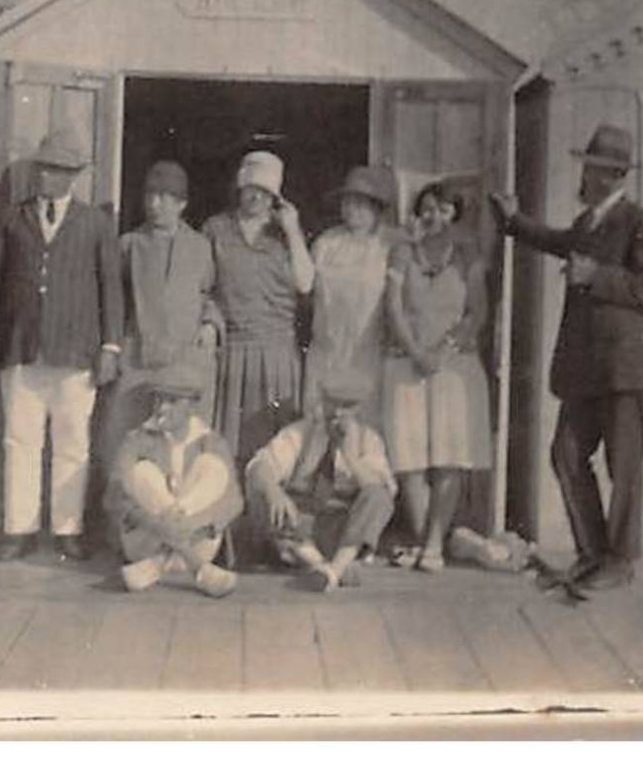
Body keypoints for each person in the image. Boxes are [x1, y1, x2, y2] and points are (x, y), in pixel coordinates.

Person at [490, 123, 643, 591]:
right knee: (566, 454)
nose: (583, 179)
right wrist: (514, 220)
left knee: (623, 465)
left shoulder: (639, 222)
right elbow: (558, 242)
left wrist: (596, 275)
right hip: (585, 369)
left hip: (624, 368)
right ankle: (592, 554)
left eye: (589, 172)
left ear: (608, 177)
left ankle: (621, 561)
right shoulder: (589, 222)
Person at [0, 127, 123, 562]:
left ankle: (67, 530)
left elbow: (110, 288)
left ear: (73, 175)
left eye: (56, 169)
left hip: (76, 353)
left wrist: (110, 347)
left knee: (73, 442)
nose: (45, 176)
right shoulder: (9, 219)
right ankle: (19, 529)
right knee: (19, 440)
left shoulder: (95, 222)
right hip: (20, 348)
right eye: (42, 167)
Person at [381, 182, 493, 574]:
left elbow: (477, 312)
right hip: (406, 363)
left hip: (454, 366)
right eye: (427, 208)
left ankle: (432, 545)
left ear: (456, 215)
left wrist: (442, 352)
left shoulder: (468, 255)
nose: (435, 217)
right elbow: (393, 310)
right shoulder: (401, 253)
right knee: (408, 459)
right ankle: (426, 537)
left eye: (445, 210)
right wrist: (417, 352)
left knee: (449, 455)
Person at [101, 161, 223, 471]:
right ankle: (125, 513)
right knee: (126, 437)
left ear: (182, 204)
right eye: (150, 196)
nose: (154, 205)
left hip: (184, 361)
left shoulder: (200, 246)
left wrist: (210, 323)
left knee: (184, 443)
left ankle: (181, 512)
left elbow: (212, 294)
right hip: (138, 359)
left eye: (164, 198)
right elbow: (112, 301)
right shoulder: (129, 244)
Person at [203, 150, 314, 464]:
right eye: (251, 188)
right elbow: (203, 287)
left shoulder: (285, 234)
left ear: (277, 197)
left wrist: (292, 229)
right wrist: (209, 322)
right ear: (239, 188)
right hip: (234, 351)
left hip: (277, 352)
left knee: (274, 447)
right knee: (229, 446)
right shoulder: (216, 229)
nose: (257, 197)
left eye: (266, 192)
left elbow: (306, 283)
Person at [245, 370, 396, 593]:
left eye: (347, 406)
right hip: (301, 526)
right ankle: (327, 568)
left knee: (379, 496)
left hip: (343, 530)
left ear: (359, 408)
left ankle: (332, 570)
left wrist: (349, 454)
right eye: (332, 404)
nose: (337, 413)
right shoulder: (300, 432)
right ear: (322, 401)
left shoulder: (368, 439)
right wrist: (273, 490)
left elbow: (381, 489)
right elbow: (261, 464)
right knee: (262, 491)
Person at [104, 363, 243, 598]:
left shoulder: (210, 441)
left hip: (198, 539)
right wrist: (156, 524)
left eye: (172, 401)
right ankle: (198, 569)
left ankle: (157, 566)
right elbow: (113, 497)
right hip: (146, 540)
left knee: (211, 466)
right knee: (142, 472)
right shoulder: (137, 439)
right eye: (158, 400)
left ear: (191, 406)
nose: (162, 409)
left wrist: (196, 524)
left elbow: (234, 501)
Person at [301, 164, 397, 429]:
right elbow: (306, 292)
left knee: (362, 432)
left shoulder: (388, 245)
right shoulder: (326, 243)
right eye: (347, 201)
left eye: (360, 203)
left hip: (366, 355)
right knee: (317, 427)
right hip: (326, 352)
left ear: (375, 208)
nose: (351, 208)